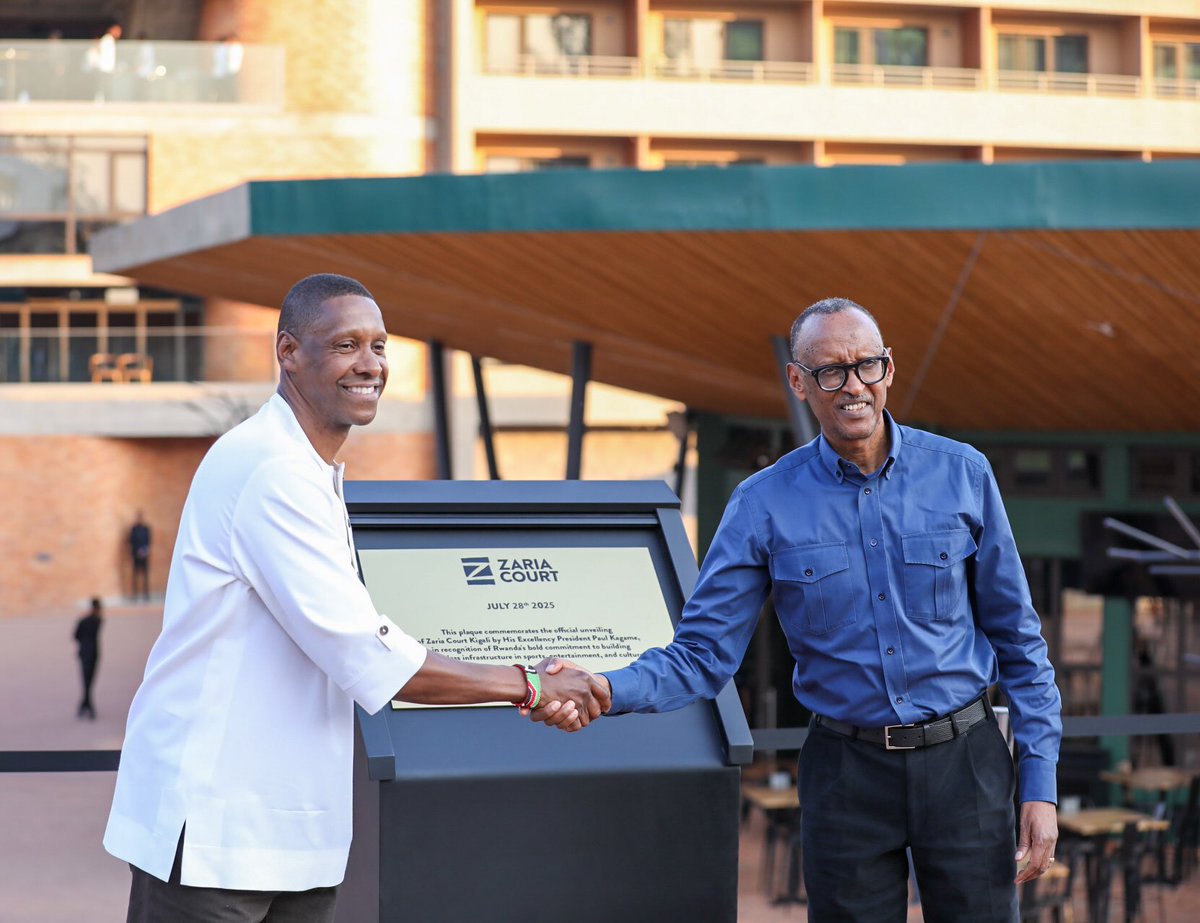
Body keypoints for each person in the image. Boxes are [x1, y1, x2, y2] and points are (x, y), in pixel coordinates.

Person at [104, 273, 608, 923]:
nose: (370, 364)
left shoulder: (307, 469)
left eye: (379, 345)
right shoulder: (270, 469)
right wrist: (532, 685)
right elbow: (367, 655)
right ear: (288, 352)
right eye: (346, 344)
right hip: (212, 835)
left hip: (293, 838)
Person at [544, 297, 1062, 922]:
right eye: (830, 372)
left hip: (967, 765)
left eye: (866, 366)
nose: (854, 386)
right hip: (846, 774)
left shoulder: (963, 474)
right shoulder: (761, 503)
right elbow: (702, 655)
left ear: (888, 368)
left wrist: (1040, 786)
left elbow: (1020, 642)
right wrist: (604, 687)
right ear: (798, 381)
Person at [74, 597, 103, 719]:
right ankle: (87, 706)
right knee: (88, 681)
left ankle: (85, 704)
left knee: (87, 680)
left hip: (85, 653)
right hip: (92, 653)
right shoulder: (98, 620)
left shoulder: (85, 620)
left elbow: (76, 636)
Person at [128, 511, 151, 601]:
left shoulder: (146, 529)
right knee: (135, 575)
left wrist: (144, 551)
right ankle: (135, 594)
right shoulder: (134, 529)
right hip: (136, 555)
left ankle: (146, 594)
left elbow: (148, 541)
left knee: (145, 575)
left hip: (144, 555)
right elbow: (131, 541)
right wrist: (137, 551)